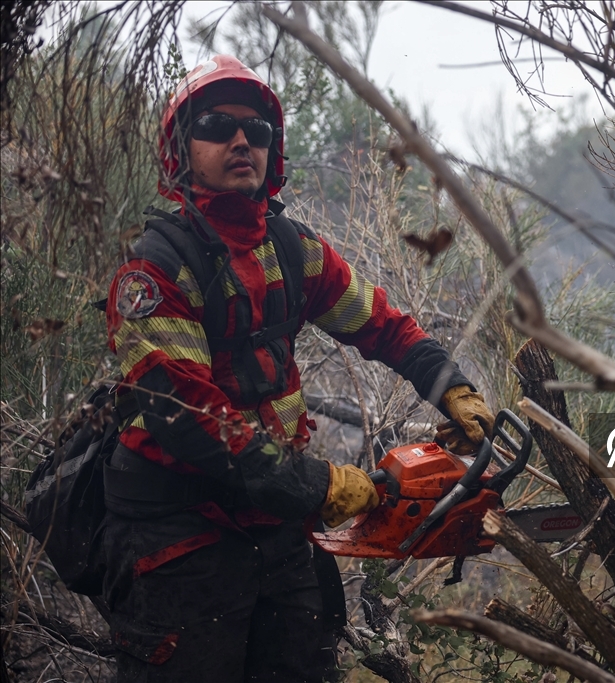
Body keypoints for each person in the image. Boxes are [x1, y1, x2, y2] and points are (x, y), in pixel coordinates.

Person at [101, 54, 494, 682]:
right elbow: (191, 420)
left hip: (277, 526)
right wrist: (321, 485)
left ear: (272, 149)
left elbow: (383, 325)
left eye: (256, 130)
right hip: (180, 537)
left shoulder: (291, 250)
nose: (241, 141)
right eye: (218, 126)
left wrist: (454, 389)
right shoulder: (154, 270)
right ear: (181, 149)